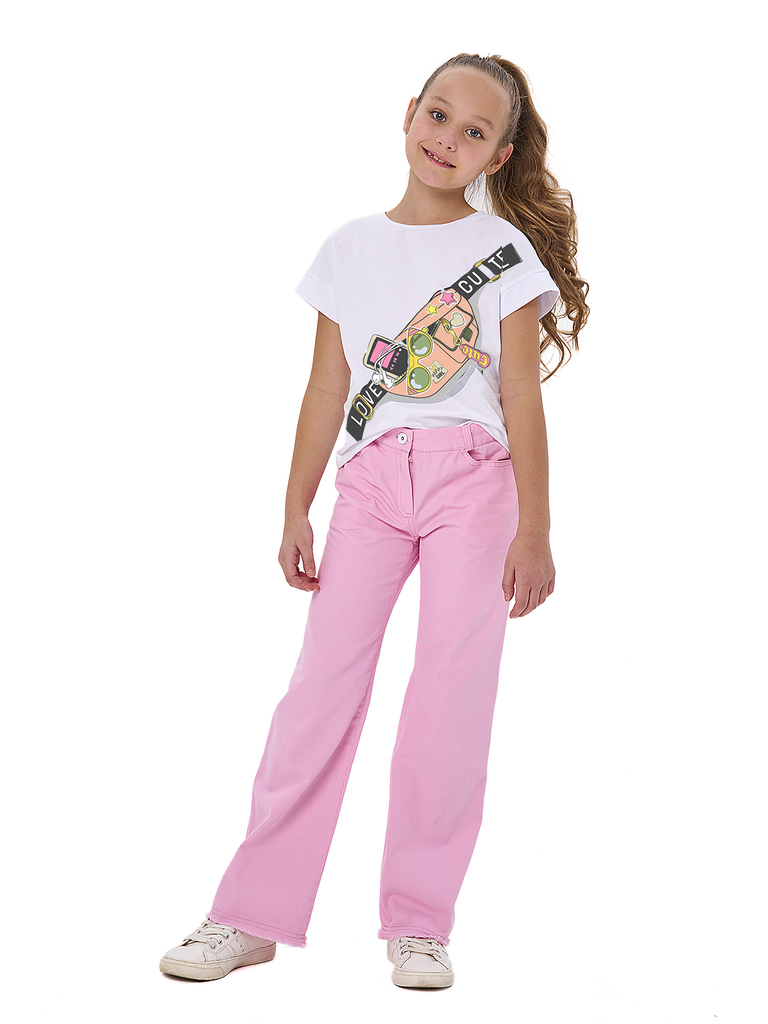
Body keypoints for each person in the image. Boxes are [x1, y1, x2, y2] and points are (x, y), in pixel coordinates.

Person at [159, 51, 589, 990]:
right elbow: (327, 388)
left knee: (449, 697)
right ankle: (250, 915)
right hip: (368, 487)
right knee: (318, 694)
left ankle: (420, 923)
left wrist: (537, 529)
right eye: (438, 114)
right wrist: (295, 504)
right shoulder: (349, 248)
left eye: (474, 131)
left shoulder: (503, 252)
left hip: (474, 482)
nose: (448, 138)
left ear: (497, 155)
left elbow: (522, 393)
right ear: (408, 112)